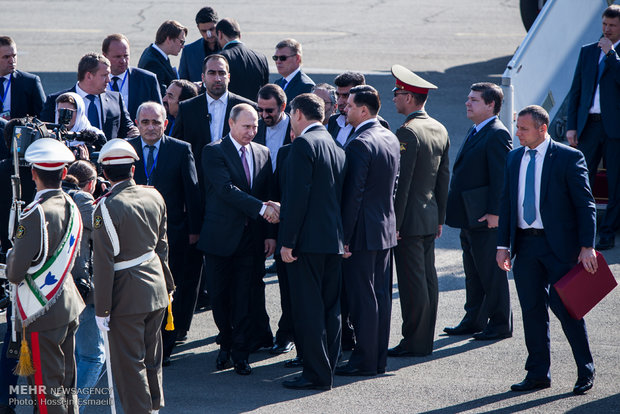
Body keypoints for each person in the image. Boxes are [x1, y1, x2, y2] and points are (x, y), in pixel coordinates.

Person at [496, 105, 597, 395]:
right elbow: (507, 202)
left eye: (523, 129)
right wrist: (503, 246)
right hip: (525, 246)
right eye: (517, 127)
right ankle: (538, 373)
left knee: (568, 308)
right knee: (532, 310)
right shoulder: (514, 158)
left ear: (542, 128)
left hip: (561, 248)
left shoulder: (568, 157)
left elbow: (585, 204)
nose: (517, 133)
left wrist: (587, 246)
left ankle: (585, 370)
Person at [92, 138, 175, 413]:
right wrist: (168, 285)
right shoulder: (154, 195)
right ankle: (153, 406)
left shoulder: (104, 208)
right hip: (157, 288)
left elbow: (103, 263)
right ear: (133, 169)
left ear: (104, 172)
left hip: (126, 295)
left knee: (130, 365)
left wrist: (102, 308)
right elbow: (162, 246)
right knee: (152, 356)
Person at [197, 103, 277, 376]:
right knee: (220, 298)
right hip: (220, 239)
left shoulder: (263, 153)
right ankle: (226, 343)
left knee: (245, 298)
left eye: (255, 126)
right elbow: (225, 190)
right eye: (246, 126)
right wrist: (262, 209)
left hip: (251, 240)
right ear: (231, 124)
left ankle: (241, 354)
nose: (252, 131)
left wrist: (270, 235)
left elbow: (267, 191)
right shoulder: (214, 151)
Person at [6, 138, 84, 413]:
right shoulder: (73, 205)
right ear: (64, 173)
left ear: (33, 173)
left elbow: (15, 273)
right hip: (68, 303)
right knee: (65, 383)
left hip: (41, 311)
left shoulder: (34, 213)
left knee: (46, 392)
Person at [279, 93, 346, 390]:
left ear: (297, 114)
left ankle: (315, 374)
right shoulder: (335, 145)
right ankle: (327, 368)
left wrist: (288, 241)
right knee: (331, 308)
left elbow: (296, 197)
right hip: (331, 241)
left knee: (308, 309)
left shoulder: (303, 144)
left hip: (306, 243)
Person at [128, 102, 202, 366]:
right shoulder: (127, 149)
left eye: (156, 122)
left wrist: (194, 230)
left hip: (173, 235)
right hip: (133, 236)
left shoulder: (181, 150)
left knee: (170, 290)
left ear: (165, 124)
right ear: (137, 124)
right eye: (145, 122)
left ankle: (165, 346)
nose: (150, 127)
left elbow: (192, 192)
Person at [336, 85, 399, 376]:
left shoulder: (360, 142)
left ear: (363, 110)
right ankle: (377, 359)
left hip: (361, 233)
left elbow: (354, 195)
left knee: (363, 299)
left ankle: (364, 360)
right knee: (381, 297)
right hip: (384, 229)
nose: (344, 109)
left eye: (349, 105)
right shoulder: (389, 136)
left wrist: (345, 238)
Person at [387, 65, 450, 357]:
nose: (394, 98)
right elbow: (443, 178)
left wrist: (395, 223)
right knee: (427, 280)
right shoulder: (438, 128)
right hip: (428, 216)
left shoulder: (408, 132)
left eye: (397, 93)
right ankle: (422, 340)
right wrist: (440, 217)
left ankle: (415, 342)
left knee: (414, 286)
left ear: (410, 98)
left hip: (409, 221)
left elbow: (402, 183)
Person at [443, 82, 513, 341]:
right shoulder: (478, 129)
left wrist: (495, 213)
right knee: (473, 273)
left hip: (486, 219)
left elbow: (501, 178)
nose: (467, 103)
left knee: (491, 273)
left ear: (491, 105)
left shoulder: (497, 133)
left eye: (474, 100)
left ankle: (500, 323)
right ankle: (474, 319)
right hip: (469, 217)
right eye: (468, 98)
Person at [566, 5, 620, 251]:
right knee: (581, 178)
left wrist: (612, 56)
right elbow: (576, 90)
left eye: (612, 26)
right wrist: (571, 126)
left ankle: (608, 232)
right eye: (604, 25)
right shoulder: (588, 52)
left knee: (615, 182)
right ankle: (583, 228)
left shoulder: (614, 55)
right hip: (589, 126)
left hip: (615, 130)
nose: (607, 30)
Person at [171, 54, 256, 195]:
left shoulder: (246, 108)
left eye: (221, 73)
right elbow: (177, 150)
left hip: (236, 191)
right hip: (198, 189)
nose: (217, 78)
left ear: (228, 77)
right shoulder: (187, 109)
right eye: (212, 73)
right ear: (203, 78)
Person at [253, 83, 293, 354]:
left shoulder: (295, 130)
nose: (264, 115)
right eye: (260, 110)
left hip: (288, 212)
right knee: (254, 277)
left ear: (283, 107)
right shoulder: (254, 127)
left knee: (288, 281)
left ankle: (287, 333)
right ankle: (259, 332)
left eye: (269, 111)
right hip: (260, 209)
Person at [63, 160, 102, 411]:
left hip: (58, 288)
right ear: (91, 183)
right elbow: (104, 231)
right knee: (94, 356)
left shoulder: (55, 195)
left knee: (75, 353)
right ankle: (73, 407)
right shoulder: (83, 200)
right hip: (81, 287)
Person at [40, 53, 138, 141]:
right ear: (89, 76)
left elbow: (129, 130)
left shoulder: (116, 99)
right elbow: (44, 134)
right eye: (104, 75)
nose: (109, 80)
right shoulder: (57, 100)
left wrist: (135, 132)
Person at [102, 33, 163, 120]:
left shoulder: (147, 80)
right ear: (105, 56)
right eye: (118, 57)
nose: (123, 61)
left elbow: (159, 114)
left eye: (126, 56)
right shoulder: (95, 80)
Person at [327, 72, 389, 147]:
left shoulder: (380, 124)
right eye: (338, 95)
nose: (339, 102)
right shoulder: (333, 121)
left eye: (346, 96)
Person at [215, 18, 269, 101]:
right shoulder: (261, 58)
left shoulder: (220, 59)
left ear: (220, 34)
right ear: (240, 35)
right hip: (254, 111)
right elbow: (265, 91)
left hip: (231, 111)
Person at [0, 36, 45, 120]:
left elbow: (43, 115)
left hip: (18, 132)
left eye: (14, 56)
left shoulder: (30, 82)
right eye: (6, 57)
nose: (12, 61)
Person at [138, 20, 188, 96]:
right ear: (169, 39)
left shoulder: (154, 52)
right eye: (181, 41)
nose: (182, 46)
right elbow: (163, 96)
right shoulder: (153, 64)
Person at [180, 6, 221, 82]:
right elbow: (183, 82)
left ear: (218, 25)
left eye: (211, 29)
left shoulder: (229, 49)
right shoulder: (188, 51)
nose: (209, 35)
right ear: (198, 28)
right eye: (204, 31)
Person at [273, 39, 315, 110]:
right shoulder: (278, 83)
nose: (278, 61)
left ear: (297, 58)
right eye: (275, 58)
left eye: (283, 58)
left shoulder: (306, 86)